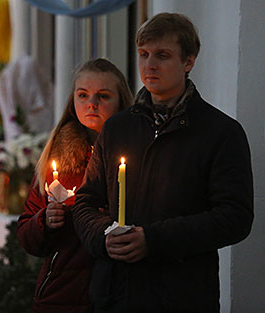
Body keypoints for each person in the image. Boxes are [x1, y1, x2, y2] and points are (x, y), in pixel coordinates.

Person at [72, 13, 254, 313]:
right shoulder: (118, 128)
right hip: (115, 294)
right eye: (143, 55)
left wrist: (153, 240)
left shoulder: (220, 132)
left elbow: (235, 216)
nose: (150, 65)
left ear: (189, 61)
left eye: (162, 55)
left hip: (181, 294)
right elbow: (85, 202)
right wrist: (103, 236)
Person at [17, 58, 133, 313]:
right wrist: (44, 221)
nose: (91, 104)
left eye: (103, 96)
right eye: (83, 95)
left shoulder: (136, 155)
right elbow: (26, 234)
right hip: (65, 293)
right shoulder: (57, 157)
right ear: (73, 101)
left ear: (120, 101)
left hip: (122, 290)